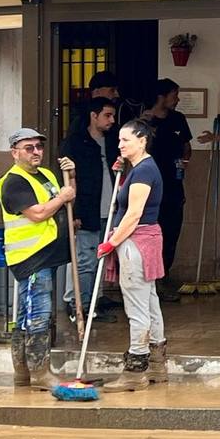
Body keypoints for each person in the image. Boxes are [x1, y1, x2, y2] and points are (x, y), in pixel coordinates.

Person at [0, 128, 76, 389]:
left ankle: (23, 373)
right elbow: (38, 214)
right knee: (38, 315)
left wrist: (71, 178)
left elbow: (66, 197)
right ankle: (40, 374)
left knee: (27, 315)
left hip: (47, 255)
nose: (36, 152)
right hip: (30, 258)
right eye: (29, 148)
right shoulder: (13, 181)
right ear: (14, 152)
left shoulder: (47, 175)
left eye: (39, 147)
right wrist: (62, 197)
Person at [98, 119, 167, 391]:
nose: (120, 145)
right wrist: (123, 172)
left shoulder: (144, 171)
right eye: (118, 140)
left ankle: (135, 370)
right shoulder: (139, 169)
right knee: (149, 302)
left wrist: (111, 242)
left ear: (142, 140)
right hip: (143, 241)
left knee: (137, 306)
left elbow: (134, 214)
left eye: (125, 140)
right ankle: (158, 367)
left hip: (135, 242)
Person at [61, 97, 119, 325]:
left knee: (100, 260)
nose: (112, 120)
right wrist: (72, 213)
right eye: (107, 115)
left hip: (109, 208)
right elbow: (65, 181)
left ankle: (93, 303)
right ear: (93, 116)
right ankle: (79, 306)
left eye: (113, 115)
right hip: (86, 210)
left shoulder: (114, 141)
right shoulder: (74, 143)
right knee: (84, 261)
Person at [142, 78, 192, 301]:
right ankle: (151, 281)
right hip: (150, 188)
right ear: (161, 96)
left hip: (173, 186)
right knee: (152, 234)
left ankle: (164, 275)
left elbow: (186, 147)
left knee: (172, 233)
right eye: (174, 94)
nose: (177, 99)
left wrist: (184, 162)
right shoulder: (144, 121)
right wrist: (146, 127)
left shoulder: (178, 119)